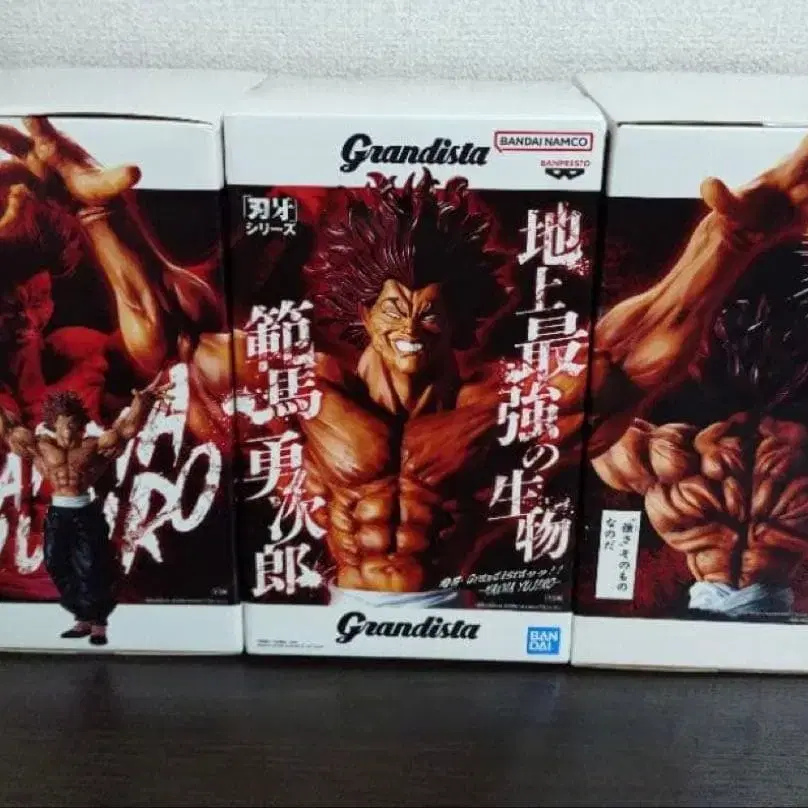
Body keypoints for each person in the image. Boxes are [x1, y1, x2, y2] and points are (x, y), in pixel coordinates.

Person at [292, 134, 808, 609]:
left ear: (457, 318)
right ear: (364, 314)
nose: (409, 327)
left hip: (442, 611)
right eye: (393, 310)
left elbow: (626, 356)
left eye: (429, 312)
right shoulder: (310, 389)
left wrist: (727, 242)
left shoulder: (499, 409)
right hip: (346, 613)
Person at [0, 378, 171, 645]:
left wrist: (142, 403)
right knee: (56, 564)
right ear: (53, 424)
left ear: (80, 425)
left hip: (85, 514)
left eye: (73, 424)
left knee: (91, 567)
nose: (68, 430)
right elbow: (9, 430)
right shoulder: (41, 446)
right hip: (58, 515)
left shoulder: (93, 446)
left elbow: (126, 430)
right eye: (63, 424)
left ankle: (98, 622)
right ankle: (83, 615)